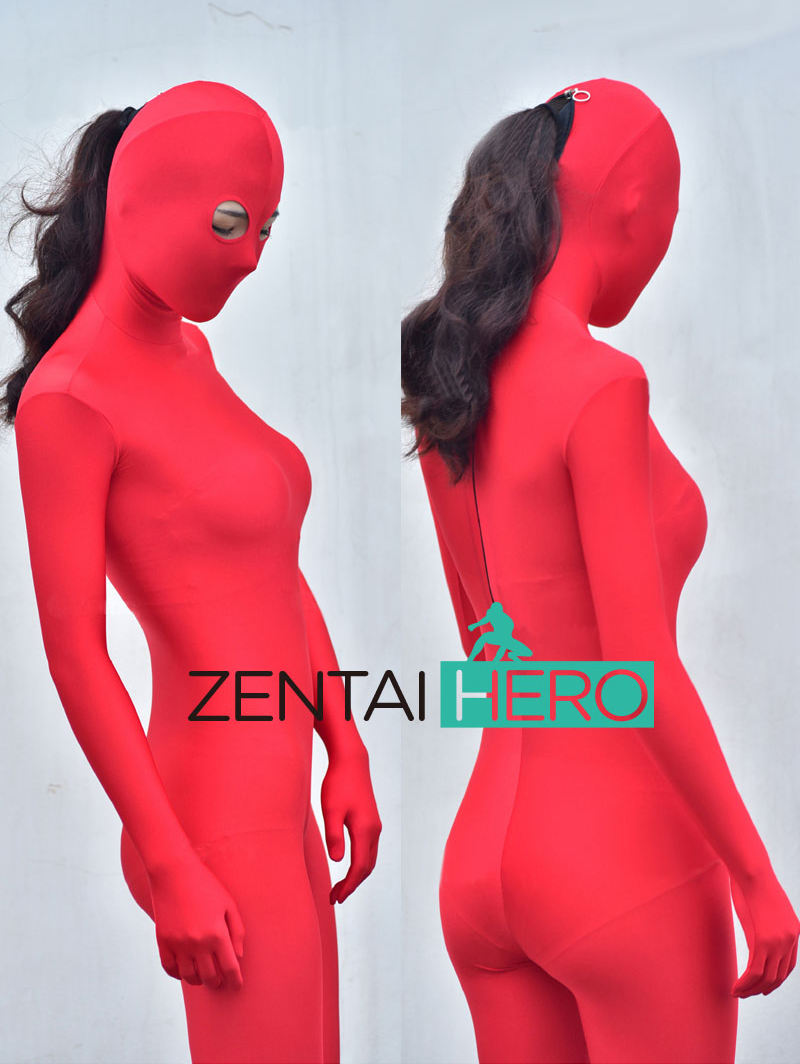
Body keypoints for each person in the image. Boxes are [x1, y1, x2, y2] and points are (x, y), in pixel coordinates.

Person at [402, 77, 798, 1063]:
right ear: (634, 204)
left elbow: (485, 661)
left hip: (485, 858)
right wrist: (755, 877)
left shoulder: (453, 386)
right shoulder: (600, 383)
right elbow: (637, 665)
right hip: (617, 858)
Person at [3, 80, 381, 1064]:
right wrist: (169, 859)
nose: (251, 254)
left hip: (278, 795)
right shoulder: (69, 400)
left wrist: (344, 741)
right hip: (210, 814)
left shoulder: (191, 353)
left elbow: (273, 570)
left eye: (266, 228)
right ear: (140, 200)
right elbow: (75, 652)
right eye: (228, 222)